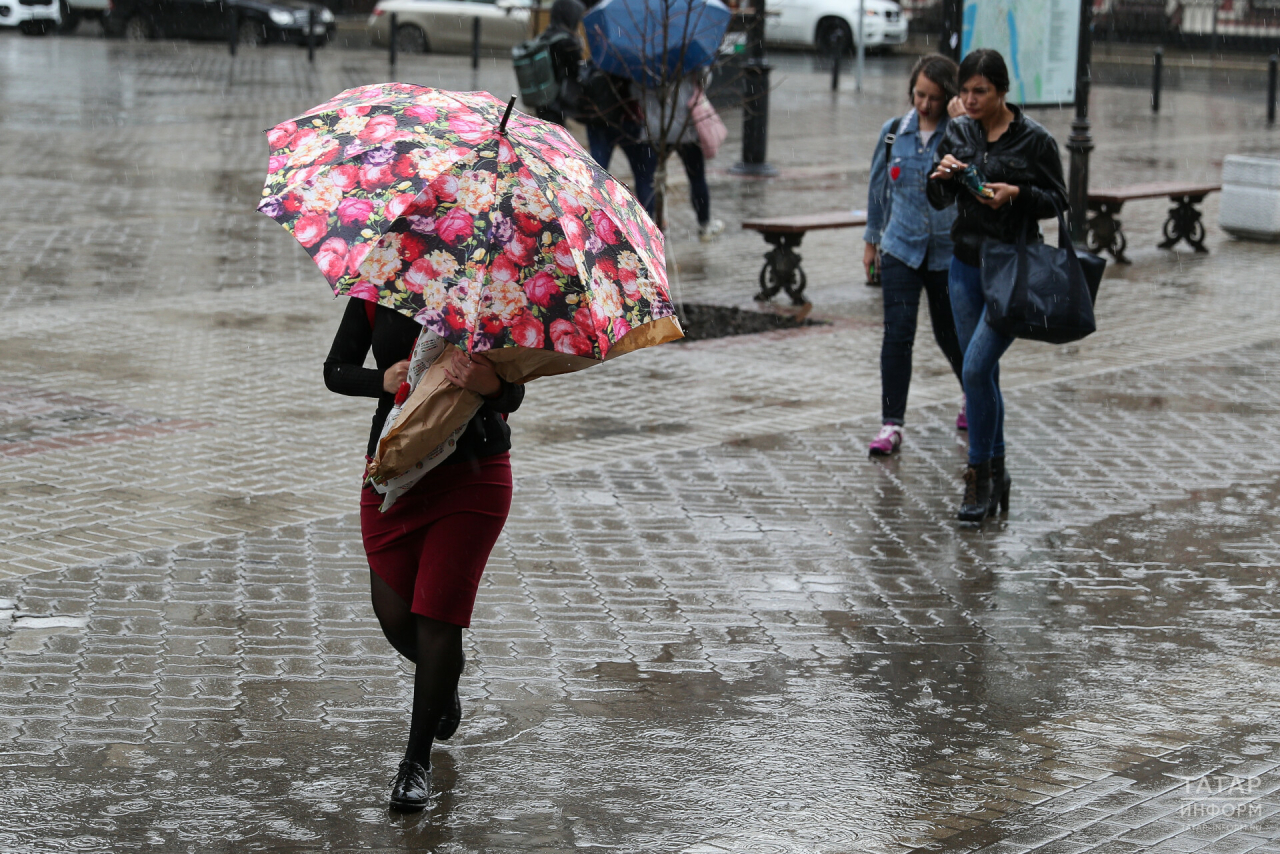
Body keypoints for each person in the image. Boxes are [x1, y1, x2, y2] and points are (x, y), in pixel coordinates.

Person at [324, 299, 525, 811]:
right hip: (395, 468)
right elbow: (335, 371)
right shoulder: (376, 292)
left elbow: (516, 390)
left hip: (473, 474)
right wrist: (382, 381)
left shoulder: (494, 294)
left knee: (437, 617)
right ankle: (443, 680)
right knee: (393, 615)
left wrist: (492, 388)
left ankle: (415, 763)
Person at [927, 49, 1067, 522]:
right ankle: (998, 471)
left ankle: (976, 479)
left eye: (980, 91)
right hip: (964, 265)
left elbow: (1059, 200)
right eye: (964, 90)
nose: (969, 99)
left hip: (1012, 269)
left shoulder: (1035, 140)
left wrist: (1017, 194)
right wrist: (944, 178)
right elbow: (939, 197)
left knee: (974, 371)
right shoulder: (960, 130)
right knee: (982, 375)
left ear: (1002, 92)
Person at [863, 54, 967, 457]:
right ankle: (891, 424)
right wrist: (871, 241)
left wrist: (961, 126)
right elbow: (877, 192)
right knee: (898, 335)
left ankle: (971, 397)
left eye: (934, 98)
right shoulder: (894, 134)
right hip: (901, 249)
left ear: (949, 97)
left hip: (946, 252)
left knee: (950, 333)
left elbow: (977, 171)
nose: (924, 105)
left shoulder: (959, 134)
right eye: (919, 95)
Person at [642, 73, 724, 241]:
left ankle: (652, 227)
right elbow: (704, 80)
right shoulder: (687, 53)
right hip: (685, 127)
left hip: (655, 127)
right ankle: (704, 224)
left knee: (652, 179)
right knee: (696, 177)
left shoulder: (644, 57)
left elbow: (636, 92)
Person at [581, 66, 657, 217]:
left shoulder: (599, 58)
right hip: (629, 121)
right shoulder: (632, 60)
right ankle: (650, 225)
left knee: (595, 177)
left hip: (599, 122)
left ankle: (589, 221)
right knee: (644, 177)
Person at [534, 0, 587, 127]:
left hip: (542, 97)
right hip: (558, 102)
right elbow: (577, 72)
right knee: (553, 138)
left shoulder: (545, 36)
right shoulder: (567, 42)